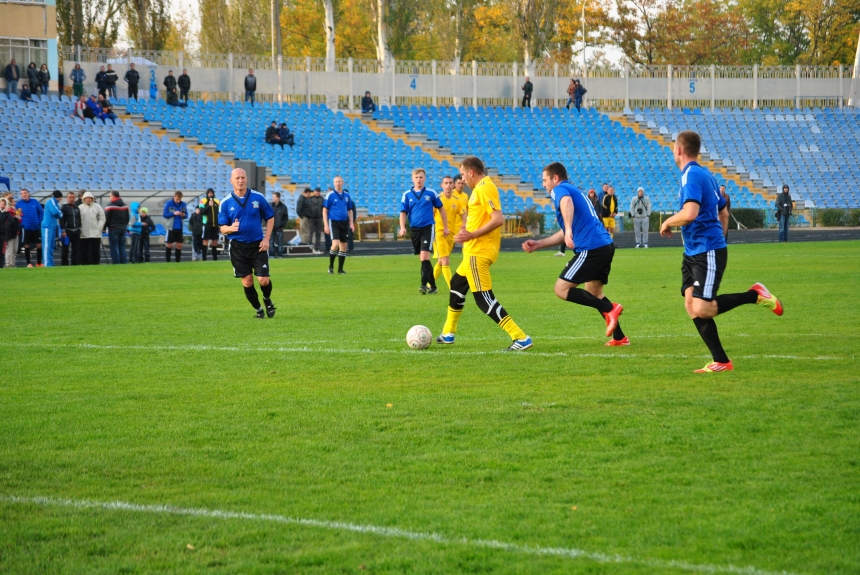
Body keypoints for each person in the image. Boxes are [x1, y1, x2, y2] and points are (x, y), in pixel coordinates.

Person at [659, 130, 784, 373]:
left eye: (674, 147)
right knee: (690, 303)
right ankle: (721, 361)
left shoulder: (691, 175)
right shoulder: (705, 174)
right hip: (695, 251)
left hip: (706, 251)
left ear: (679, 150)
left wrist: (667, 222)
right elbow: (723, 213)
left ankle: (755, 294)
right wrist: (719, 240)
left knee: (703, 308)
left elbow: (690, 213)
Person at [523, 162, 627, 346]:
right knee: (594, 292)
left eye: (545, 180)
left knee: (561, 289)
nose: (544, 185)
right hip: (605, 246)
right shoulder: (574, 190)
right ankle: (620, 337)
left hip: (591, 247)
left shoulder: (560, 189)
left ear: (555, 178)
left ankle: (610, 308)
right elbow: (565, 232)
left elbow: (566, 203)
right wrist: (540, 243)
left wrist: (569, 229)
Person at [436, 156, 532, 351]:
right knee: (457, 283)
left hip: (478, 252)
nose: (461, 180)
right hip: (473, 251)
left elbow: (498, 219)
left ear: (471, 172)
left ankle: (520, 337)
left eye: (463, 174)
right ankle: (448, 332)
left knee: (483, 298)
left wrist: (471, 234)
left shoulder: (484, 187)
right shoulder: (482, 188)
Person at [218, 168, 276, 319]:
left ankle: (267, 300)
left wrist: (266, 239)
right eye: (237, 178)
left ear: (246, 179)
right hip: (238, 247)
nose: (240, 180)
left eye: (243, 177)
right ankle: (258, 310)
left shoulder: (258, 197)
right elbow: (222, 228)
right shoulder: (225, 203)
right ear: (231, 180)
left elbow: (270, 217)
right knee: (248, 282)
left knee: (263, 280)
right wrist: (231, 228)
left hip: (258, 245)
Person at [399, 168, 448, 294]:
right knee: (423, 259)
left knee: (424, 256)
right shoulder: (407, 194)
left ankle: (423, 285)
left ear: (425, 178)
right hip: (414, 229)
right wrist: (403, 227)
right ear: (412, 179)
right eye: (416, 177)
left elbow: (441, 209)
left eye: (421, 177)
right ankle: (433, 286)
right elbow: (403, 212)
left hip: (428, 227)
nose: (419, 179)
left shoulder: (431, 193)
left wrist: (445, 227)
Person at [432, 175, 466, 289]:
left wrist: (464, 226)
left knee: (441, 261)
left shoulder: (457, 201)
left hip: (451, 234)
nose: (448, 185)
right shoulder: (437, 200)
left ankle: (428, 285)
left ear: (453, 185)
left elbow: (463, 214)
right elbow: (430, 215)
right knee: (445, 259)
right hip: (439, 233)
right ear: (442, 185)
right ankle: (452, 287)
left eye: (450, 183)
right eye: (446, 183)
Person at [323, 177, 355, 274]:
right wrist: (325, 225)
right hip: (333, 222)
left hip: (344, 222)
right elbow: (324, 210)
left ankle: (340, 269)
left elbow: (350, 209)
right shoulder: (330, 195)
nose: (338, 183)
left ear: (343, 183)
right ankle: (331, 266)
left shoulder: (347, 195)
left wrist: (351, 223)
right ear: (334, 183)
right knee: (335, 244)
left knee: (344, 246)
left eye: (339, 181)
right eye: (336, 182)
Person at [18, 189, 43, 267]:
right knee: (27, 245)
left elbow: (41, 212)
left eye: (25, 193)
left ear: (28, 194)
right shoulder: (19, 204)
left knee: (39, 245)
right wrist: (22, 224)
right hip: (26, 228)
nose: (23, 195)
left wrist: (38, 221)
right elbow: (17, 215)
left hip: (36, 227)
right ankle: (28, 263)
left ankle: (39, 263)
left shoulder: (35, 202)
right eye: (22, 193)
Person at [78, 192, 104, 265]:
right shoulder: (80, 207)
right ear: (84, 199)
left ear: (92, 199)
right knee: (84, 251)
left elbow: (102, 218)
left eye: (90, 198)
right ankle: (84, 264)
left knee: (95, 250)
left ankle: (96, 264)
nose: (88, 199)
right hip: (84, 233)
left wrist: (99, 228)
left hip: (95, 233)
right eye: (87, 198)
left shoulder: (97, 206)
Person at [104, 191, 129, 264]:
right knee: (122, 246)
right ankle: (123, 262)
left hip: (113, 228)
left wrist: (104, 227)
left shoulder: (110, 206)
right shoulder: (125, 206)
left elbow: (107, 218)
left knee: (114, 246)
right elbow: (127, 217)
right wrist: (124, 225)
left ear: (113, 196)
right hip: (123, 228)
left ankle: (116, 263)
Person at [163, 191, 187, 262]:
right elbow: (165, 214)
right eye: (177, 199)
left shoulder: (183, 204)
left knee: (179, 245)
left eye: (179, 199)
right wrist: (173, 213)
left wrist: (183, 215)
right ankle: (168, 261)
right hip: (171, 227)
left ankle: (177, 262)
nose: (178, 201)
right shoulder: (168, 204)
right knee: (169, 245)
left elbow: (186, 215)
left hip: (179, 227)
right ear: (174, 197)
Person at [60, 192, 81, 266]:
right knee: (65, 248)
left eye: (73, 197)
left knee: (76, 249)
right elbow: (61, 220)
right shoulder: (64, 207)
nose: (72, 199)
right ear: (67, 198)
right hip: (67, 231)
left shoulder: (76, 207)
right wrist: (63, 230)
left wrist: (79, 228)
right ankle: (64, 264)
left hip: (76, 230)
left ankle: (75, 264)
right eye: (70, 197)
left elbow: (79, 218)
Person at [199, 188, 220, 261]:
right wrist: (208, 206)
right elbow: (201, 212)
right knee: (205, 241)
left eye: (211, 193)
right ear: (207, 194)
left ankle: (215, 259)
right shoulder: (203, 201)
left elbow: (220, 212)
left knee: (214, 242)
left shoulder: (217, 201)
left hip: (215, 225)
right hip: (206, 224)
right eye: (209, 193)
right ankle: (204, 259)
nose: (210, 194)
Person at [2, 197, 22, 268]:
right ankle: (8, 263)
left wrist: (18, 216)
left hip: (16, 231)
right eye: (13, 202)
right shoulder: (8, 210)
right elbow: (10, 221)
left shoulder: (15, 210)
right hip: (10, 232)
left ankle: (13, 263)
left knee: (15, 249)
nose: (15, 203)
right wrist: (15, 217)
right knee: (9, 249)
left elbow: (19, 220)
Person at [270, 192, 289, 258]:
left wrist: (281, 225)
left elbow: (285, 218)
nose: (273, 198)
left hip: (279, 228)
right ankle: (272, 254)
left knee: (280, 242)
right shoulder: (270, 206)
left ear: (278, 197)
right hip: (271, 228)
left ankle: (280, 254)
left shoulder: (283, 207)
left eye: (274, 197)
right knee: (271, 241)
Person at [307, 187, 324, 253]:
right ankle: (310, 247)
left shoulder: (322, 199)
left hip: (319, 218)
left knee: (318, 233)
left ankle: (317, 247)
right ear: (314, 192)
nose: (317, 192)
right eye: (316, 191)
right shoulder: (310, 199)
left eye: (318, 191)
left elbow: (324, 208)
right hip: (312, 218)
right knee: (310, 232)